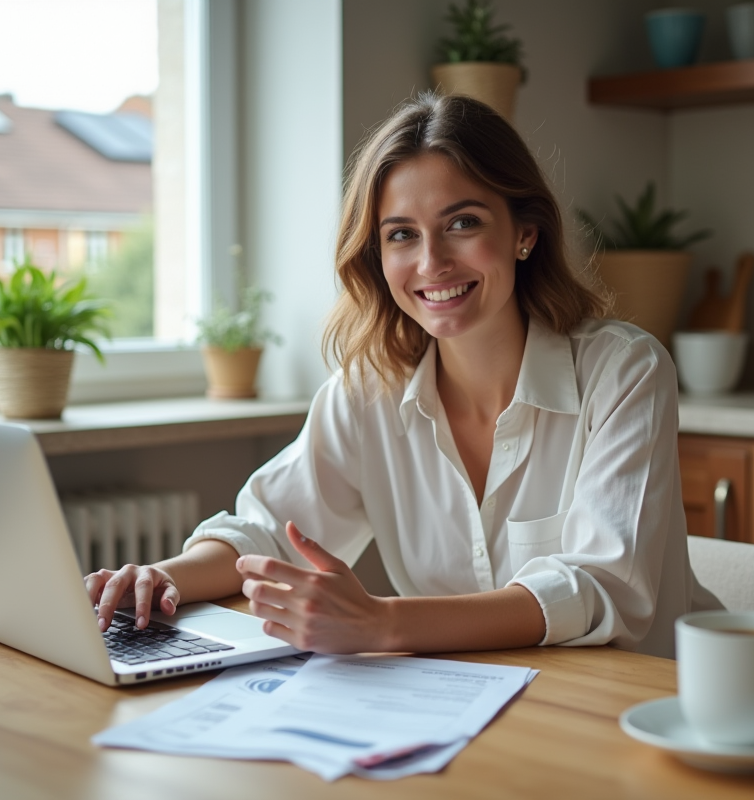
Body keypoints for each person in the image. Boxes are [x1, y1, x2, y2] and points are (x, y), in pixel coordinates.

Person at [86, 92, 712, 658]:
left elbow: (603, 590)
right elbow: (263, 532)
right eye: (401, 235)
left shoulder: (623, 371)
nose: (432, 262)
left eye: (462, 223)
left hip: (632, 711)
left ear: (525, 232)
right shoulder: (368, 393)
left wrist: (381, 624)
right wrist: (162, 577)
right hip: (477, 713)